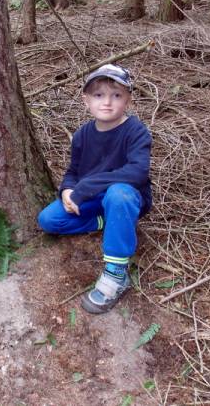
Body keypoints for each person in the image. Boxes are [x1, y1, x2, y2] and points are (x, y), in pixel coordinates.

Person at [37, 64, 152, 314]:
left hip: (125, 198)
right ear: (86, 100)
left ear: (128, 100)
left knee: (118, 194)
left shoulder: (135, 131)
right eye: (99, 95)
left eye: (116, 95)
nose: (107, 102)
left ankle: (117, 274)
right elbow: (73, 172)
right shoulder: (82, 135)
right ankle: (106, 222)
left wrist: (88, 185)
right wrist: (67, 190)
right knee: (48, 220)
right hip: (94, 199)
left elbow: (138, 172)